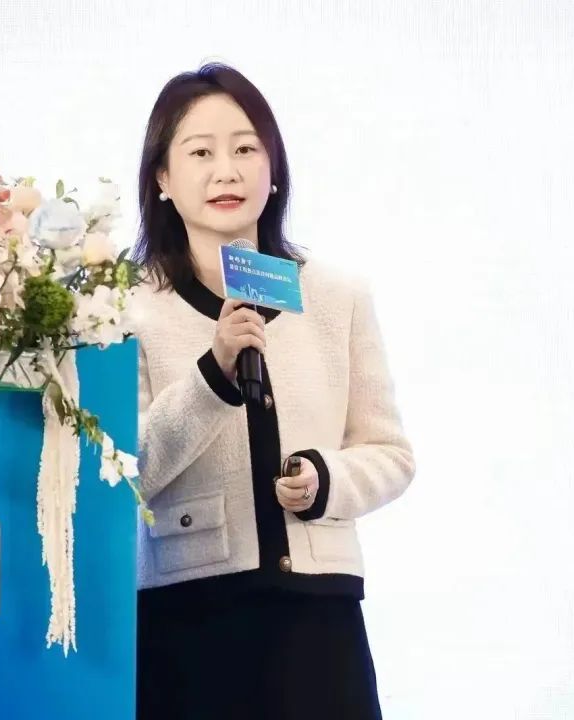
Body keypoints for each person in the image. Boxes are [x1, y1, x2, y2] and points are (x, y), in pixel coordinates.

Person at [130, 63, 416, 720]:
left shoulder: (337, 296)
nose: (226, 172)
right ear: (163, 179)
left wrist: (326, 480)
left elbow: (391, 454)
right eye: (200, 153)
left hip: (318, 622)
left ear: (275, 170)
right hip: (188, 621)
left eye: (245, 149)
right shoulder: (130, 309)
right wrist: (213, 374)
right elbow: (125, 470)